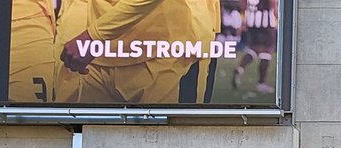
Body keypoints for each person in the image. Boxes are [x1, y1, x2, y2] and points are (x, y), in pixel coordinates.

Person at [54, 0, 221, 104]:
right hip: (101, 53)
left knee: (172, 145)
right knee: (92, 145)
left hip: (167, 51)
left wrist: (93, 36)